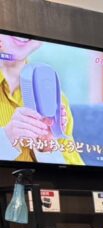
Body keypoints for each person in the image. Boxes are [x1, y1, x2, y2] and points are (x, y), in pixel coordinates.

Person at [0, 34, 83, 166]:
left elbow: (79, 176)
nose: (24, 32)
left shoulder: (57, 99)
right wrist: (7, 138)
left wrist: (47, 146)